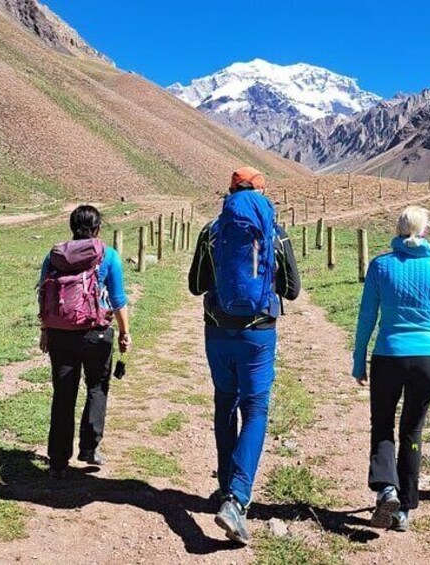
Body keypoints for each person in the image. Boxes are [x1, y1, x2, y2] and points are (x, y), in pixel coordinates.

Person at [189, 166, 301, 545]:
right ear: (263, 193)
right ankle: (237, 498)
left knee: (225, 403)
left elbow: (195, 285)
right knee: (255, 409)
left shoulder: (211, 230)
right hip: (258, 334)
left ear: (230, 191)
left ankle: (226, 488)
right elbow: (292, 289)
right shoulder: (274, 230)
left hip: (217, 331)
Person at [352, 206, 430, 532]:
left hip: (389, 356)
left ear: (399, 230)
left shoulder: (380, 266)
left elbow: (366, 319)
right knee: (412, 431)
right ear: (425, 231)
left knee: (382, 424)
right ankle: (404, 511)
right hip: (429, 361)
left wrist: (359, 360)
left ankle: (386, 488)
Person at [38, 205, 132, 479]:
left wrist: (46, 328)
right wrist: (125, 332)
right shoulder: (109, 255)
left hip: (59, 333)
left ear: (71, 226)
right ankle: (89, 449)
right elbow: (118, 299)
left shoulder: (54, 256)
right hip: (96, 334)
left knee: (63, 394)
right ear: (98, 228)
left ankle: (57, 459)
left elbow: (44, 295)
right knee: (97, 387)